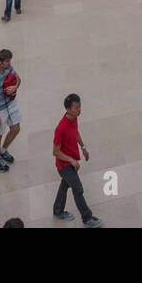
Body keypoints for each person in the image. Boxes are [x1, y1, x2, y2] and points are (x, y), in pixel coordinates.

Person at [53, 93, 103, 226]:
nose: (79, 110)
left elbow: (76, 132)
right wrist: (71, 160)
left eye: (80, 107)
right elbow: (55, 152)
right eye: (76, 108)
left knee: (65, 186)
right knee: (78, 189)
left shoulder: (74, 118)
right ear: (68, 109)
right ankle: (87, 218)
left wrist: (83, 147)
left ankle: (57, 211)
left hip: (70, 162)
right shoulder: (60, 128)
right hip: (64, 166)